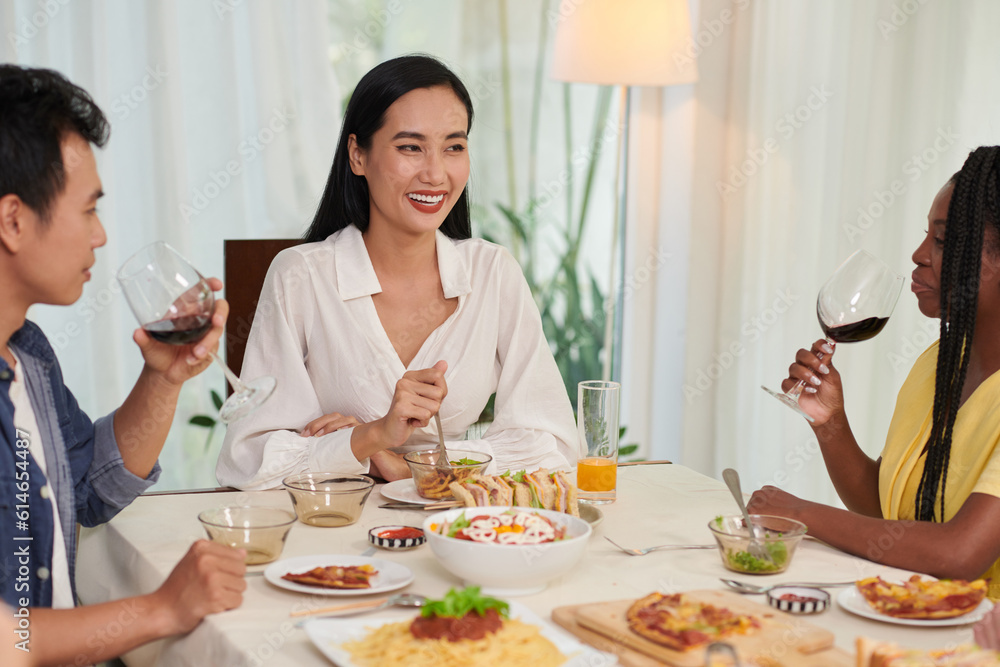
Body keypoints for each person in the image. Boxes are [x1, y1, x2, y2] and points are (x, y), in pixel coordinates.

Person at [217, 55, 578, 489]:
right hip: (333, 535)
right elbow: (248, 459)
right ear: (357, 155)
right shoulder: (301, 276)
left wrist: (413, 466)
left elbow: (554, 445)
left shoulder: (491, 271)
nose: (435, 173)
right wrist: (371, 440)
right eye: (410, 147)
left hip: (460, 529)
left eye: (454, 146)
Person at [0, 65, 246, 664]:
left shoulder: (26, 353)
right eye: (88, 210)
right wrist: (160, 609)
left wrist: (164, 376)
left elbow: (89, 490)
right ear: (13, 220)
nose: (102, 236)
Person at [748, 146, 1000, 598]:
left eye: (942, 241)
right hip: (912, 617)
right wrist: (830, 424)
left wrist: (799, 514)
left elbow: (961, 554)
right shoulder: (939, 362)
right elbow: (888, 515)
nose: (918, 255)